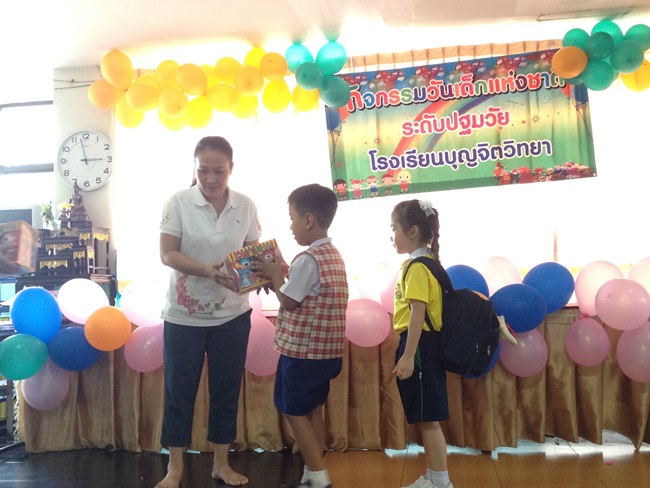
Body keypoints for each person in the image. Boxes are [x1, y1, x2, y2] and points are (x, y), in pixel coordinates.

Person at [157, 136, 261, 488]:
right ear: (195, 168)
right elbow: (168, 254)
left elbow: (252, 253)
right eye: (203, 170)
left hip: (232, 315)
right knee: (178, 392)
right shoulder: (178, 202)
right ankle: (175, 468)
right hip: (183, 316)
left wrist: (262, 275)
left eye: (219, 171)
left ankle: (221, 463)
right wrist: (206, 271)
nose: (211, 178)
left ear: (232, 168)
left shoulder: (245, 205)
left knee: (226, 392)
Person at [254, 183, 348, 488]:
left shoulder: (308, 259)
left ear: (308, 220)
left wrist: (274, 276)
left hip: (303, 354)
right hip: (327, 353)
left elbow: (289, 301)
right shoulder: (332, 254)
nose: (291, 226)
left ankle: (318, 476)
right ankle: (312, 471)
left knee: (292, 409)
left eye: (292, 218)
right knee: (312, 408)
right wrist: (279, 275)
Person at [390, 199, 453, 488]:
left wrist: (408, 355)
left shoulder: (417, 267)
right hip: (424, 345)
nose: (392, 235)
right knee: (428, 416)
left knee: (428, 418)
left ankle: (440, 481)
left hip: (419, 346)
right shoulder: (429, 263)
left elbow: (418, 313)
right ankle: (434, 476)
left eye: (394, 228)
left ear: (413, 231)